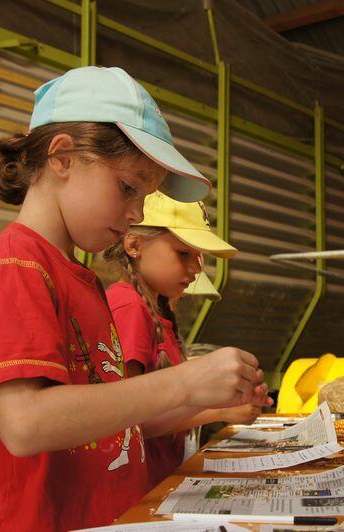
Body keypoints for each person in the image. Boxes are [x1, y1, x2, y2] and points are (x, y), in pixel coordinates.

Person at [0, 66, 269, 531]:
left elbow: (121, 423)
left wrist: (205, 397)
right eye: (128, 188)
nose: (134, 214)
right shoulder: (15, 263)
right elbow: (25, 423)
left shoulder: (83, 282)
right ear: (63, 157)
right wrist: (184, 383)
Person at [105, 192, 271, 489]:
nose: (196, 269)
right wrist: (218, 411)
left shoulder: (155, 311)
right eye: (183, 253)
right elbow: (127, 424)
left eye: (198, 256)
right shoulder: (129, 308)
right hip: (138, 489)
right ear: (134, 245)